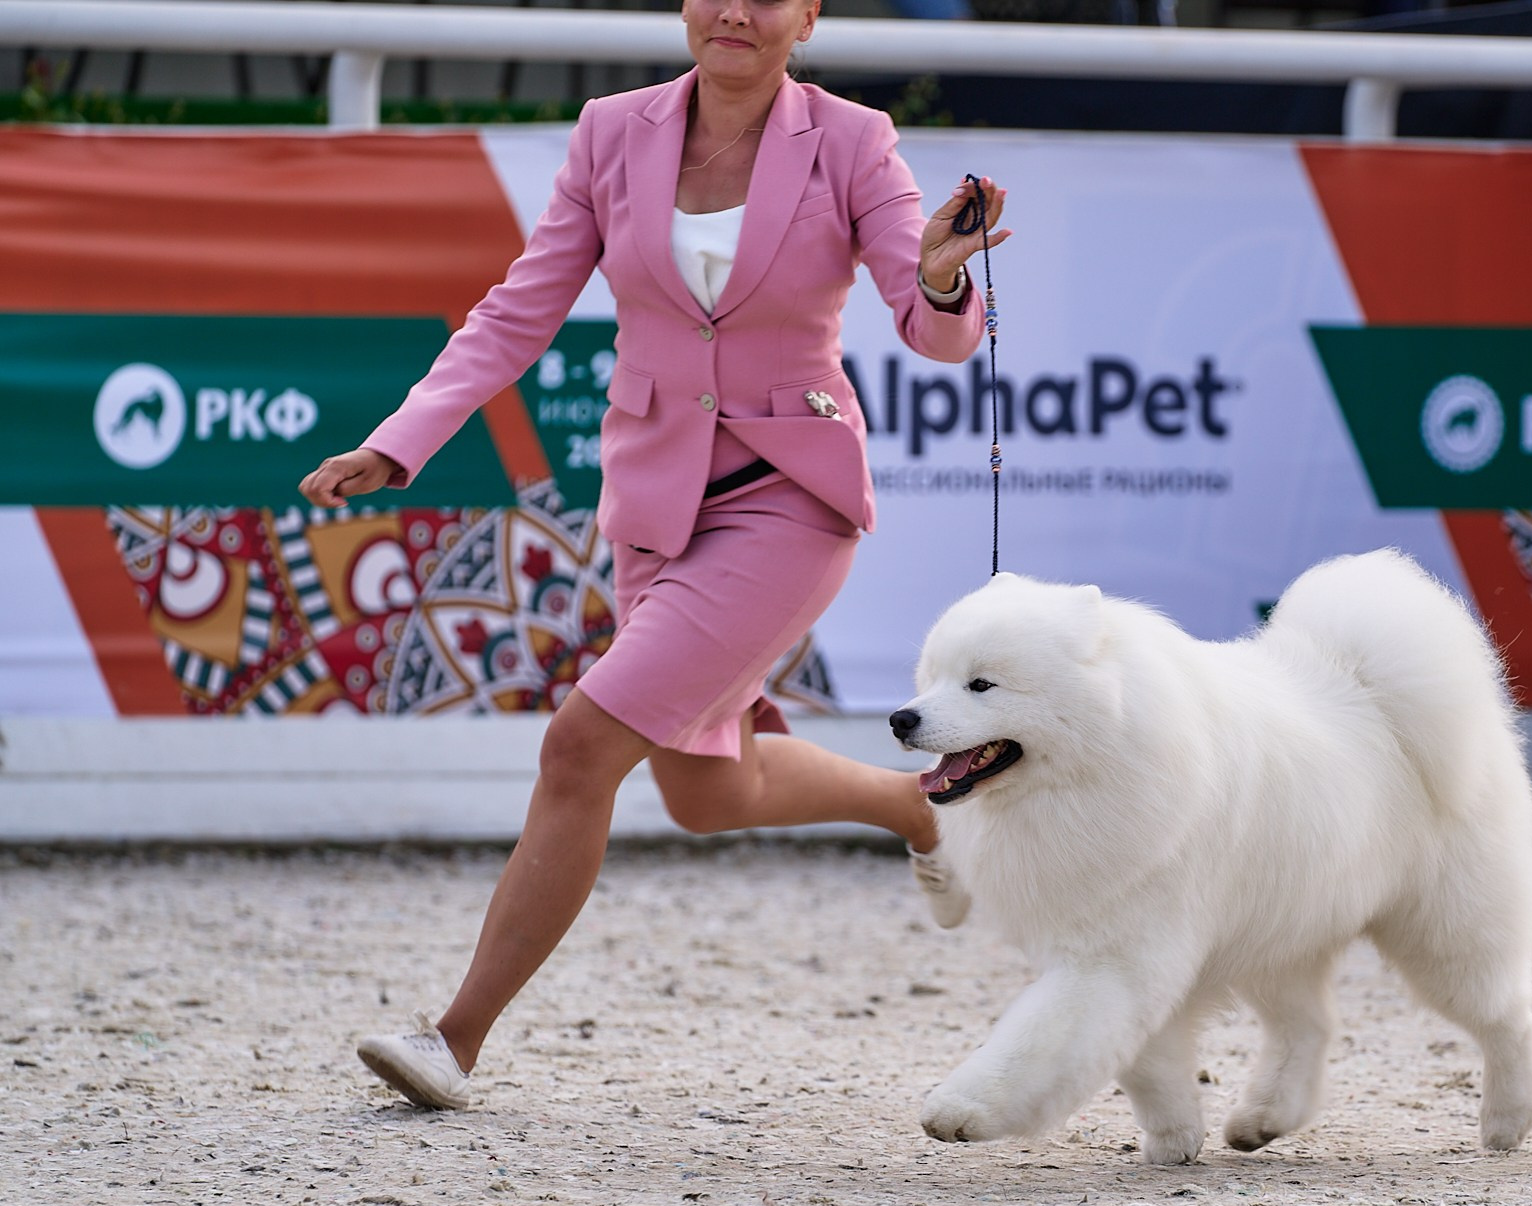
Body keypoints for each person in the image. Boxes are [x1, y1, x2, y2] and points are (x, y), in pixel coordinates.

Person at [297, 0, 1010, 1110]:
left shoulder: (856, 139)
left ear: (808, 14)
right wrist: (401, 444)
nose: (734, 9)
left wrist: (938, 274)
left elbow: (936, 335)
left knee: (580, 746)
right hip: (651, 505)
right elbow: (516, 312)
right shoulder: (611, 130)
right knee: (707, 793)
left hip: (790, 504)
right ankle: (920, 810)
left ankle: (453, 1038)